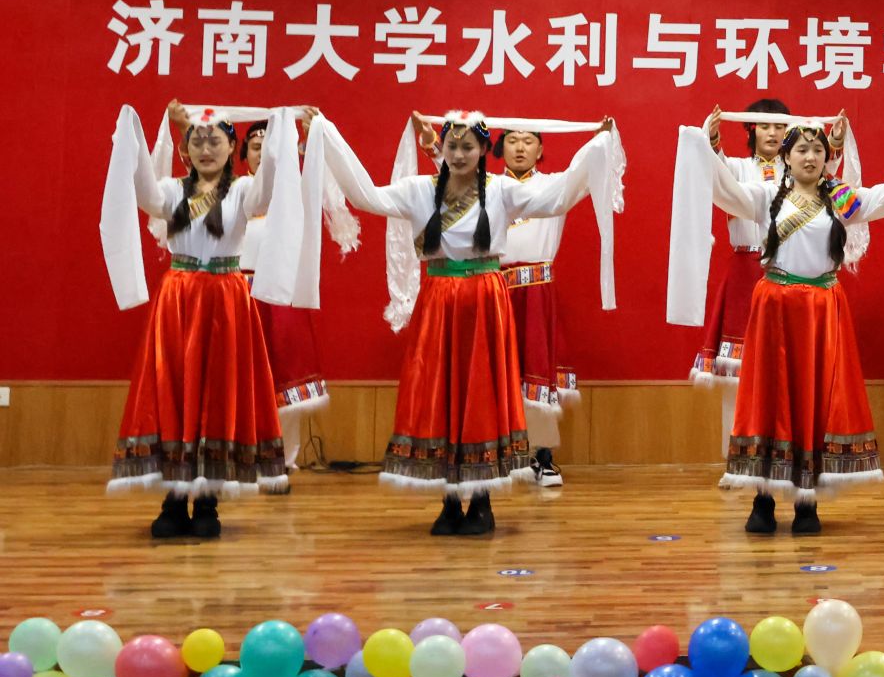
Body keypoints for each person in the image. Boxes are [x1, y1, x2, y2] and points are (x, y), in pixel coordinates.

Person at [301, 110, 618, 536]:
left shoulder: (501, 190)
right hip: (438, 301)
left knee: (481, 395)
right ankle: (449, 501)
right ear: (443, 148)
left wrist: (597, 145)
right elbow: (366, 197)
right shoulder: (419, 190)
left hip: (485, 300)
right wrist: (327, 133)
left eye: (468, 146)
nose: (459, 154)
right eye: (452, 145)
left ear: (484, 150)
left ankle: (482, 501)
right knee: (441, 394)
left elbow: (557, 198)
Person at [682, 111, 884, 535]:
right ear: (786, 157)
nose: (809, 157)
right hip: (774, 308)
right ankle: (763, 499)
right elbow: (724, 191)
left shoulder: (841, 199)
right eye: (801, 150)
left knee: (814, 399)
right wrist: (705, 143)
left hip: (822, 310)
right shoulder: (765, 195)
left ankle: (806, 501)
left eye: (817, 150)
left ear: (828, 158)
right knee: (769, 399)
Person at [103, 102, 302, 537]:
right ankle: (174, 501)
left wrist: (281, 128)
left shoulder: (244, 191)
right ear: (184, 149)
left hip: (226, 300)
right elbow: (142, 191)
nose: (206, 148)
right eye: (197, 140)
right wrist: (134, 128)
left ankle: (208, 500)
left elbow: (269, 186)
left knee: (217, 393)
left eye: (215, 140)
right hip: (179, 300)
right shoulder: (171, 191)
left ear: (232, 147)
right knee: (174, 392)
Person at [694, 98, 793, 449]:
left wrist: (837, 141)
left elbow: (826, 170)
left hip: (788, 274)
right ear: (751, 129)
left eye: (779, 126)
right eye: (764, 125)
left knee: (786, 366)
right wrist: (712, 138)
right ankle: (738, 452)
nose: (772, 133)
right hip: (744, 275)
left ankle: (783, 449)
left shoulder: (797, 171)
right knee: (737, 374)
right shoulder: (736, 168)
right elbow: (715, 173)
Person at [245, 117, 331, 489]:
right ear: (242, 154)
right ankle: (238, 453)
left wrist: (310, 140)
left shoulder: (292, 195)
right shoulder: (235, 192)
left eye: (271, 149)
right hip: (240, 294)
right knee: (239, 376)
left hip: (280, 295)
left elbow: (317, 182)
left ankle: (282, 458)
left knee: (285, 376)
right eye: (256, 148)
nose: (263, 155)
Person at [497, 127, 578, 488]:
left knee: (538, 372)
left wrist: (603, 138)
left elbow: (586, 171)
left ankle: (542, 457)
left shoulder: (554, 185)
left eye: (528, 141)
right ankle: (498, 454)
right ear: (500, 147)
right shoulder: (488, 187)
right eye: (512, 140)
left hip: (536, 291)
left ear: (540, 148)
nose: (520, 148)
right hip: (495, 288)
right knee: (495, 373)